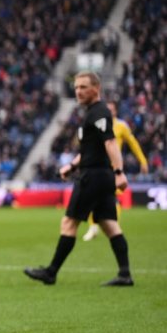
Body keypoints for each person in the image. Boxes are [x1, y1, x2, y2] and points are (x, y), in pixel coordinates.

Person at [24, 72, 133, 287]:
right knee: (109, 224)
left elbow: (110, 143)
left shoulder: (99, 112)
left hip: (93, 176)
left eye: (83, 87)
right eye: (76, 87)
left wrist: (119, 172)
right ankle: (125, 274)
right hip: (100, 175)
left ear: (96, 88)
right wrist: (72, 165)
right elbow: (92, 148)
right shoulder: (91, 113)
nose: (78, 91)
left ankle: (51, 272)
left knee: (69, 222)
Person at [81, 100, 148, 241]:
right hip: (96, 166)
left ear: (116, 111)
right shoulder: (98, 125)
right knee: (91, 198)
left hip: (113, 168)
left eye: (112, 109)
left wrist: (142, 161)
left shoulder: (121, 126)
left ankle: (113, 225)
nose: (109, 112)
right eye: (107, 109)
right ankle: (93, 227)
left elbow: (133, 144)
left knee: (112, 199)